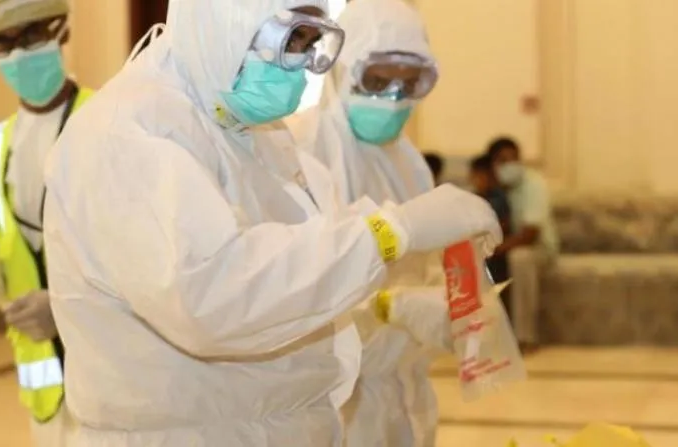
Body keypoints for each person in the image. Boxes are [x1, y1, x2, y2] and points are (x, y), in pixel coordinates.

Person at [41, 0, 502, 445]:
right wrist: (391, 232)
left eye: (311, 42)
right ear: (230, 16)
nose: (301, 65)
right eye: (291, 39)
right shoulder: (128, 135)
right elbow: (214, 295)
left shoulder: (250, 128)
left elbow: (304, 256)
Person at [288, 0, 458, 444]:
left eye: (409, 83)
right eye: (378, 82)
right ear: (344, 71)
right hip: (328, 395)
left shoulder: (409, 164)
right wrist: (386, 307)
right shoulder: (300, 149)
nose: (394, 98)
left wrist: (449, 302)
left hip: (399, 385)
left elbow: (425, 264)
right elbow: (297, 283)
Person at [0, 0, 92, 444]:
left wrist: (66, 308)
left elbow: (149, 266)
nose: (19, 55)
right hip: (43, 391)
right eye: (2, 44)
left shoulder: (111, 125)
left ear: (63, 30)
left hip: (115, 381)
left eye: (32, 35)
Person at [488, 136, 559, 354]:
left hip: (538, 249)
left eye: (514, 159)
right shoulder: (493, 188)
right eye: (503, 161)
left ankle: (525, 337)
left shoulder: (533, 184)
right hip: (504, 247)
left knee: (520, 258)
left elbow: (530, 233)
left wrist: (497, 249)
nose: (510, 165)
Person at [469, 154, 512, 310]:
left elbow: (502, 225)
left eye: (479, 177)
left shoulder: (498, 199)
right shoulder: (477, 197)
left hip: (495, 254)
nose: (476, 181)